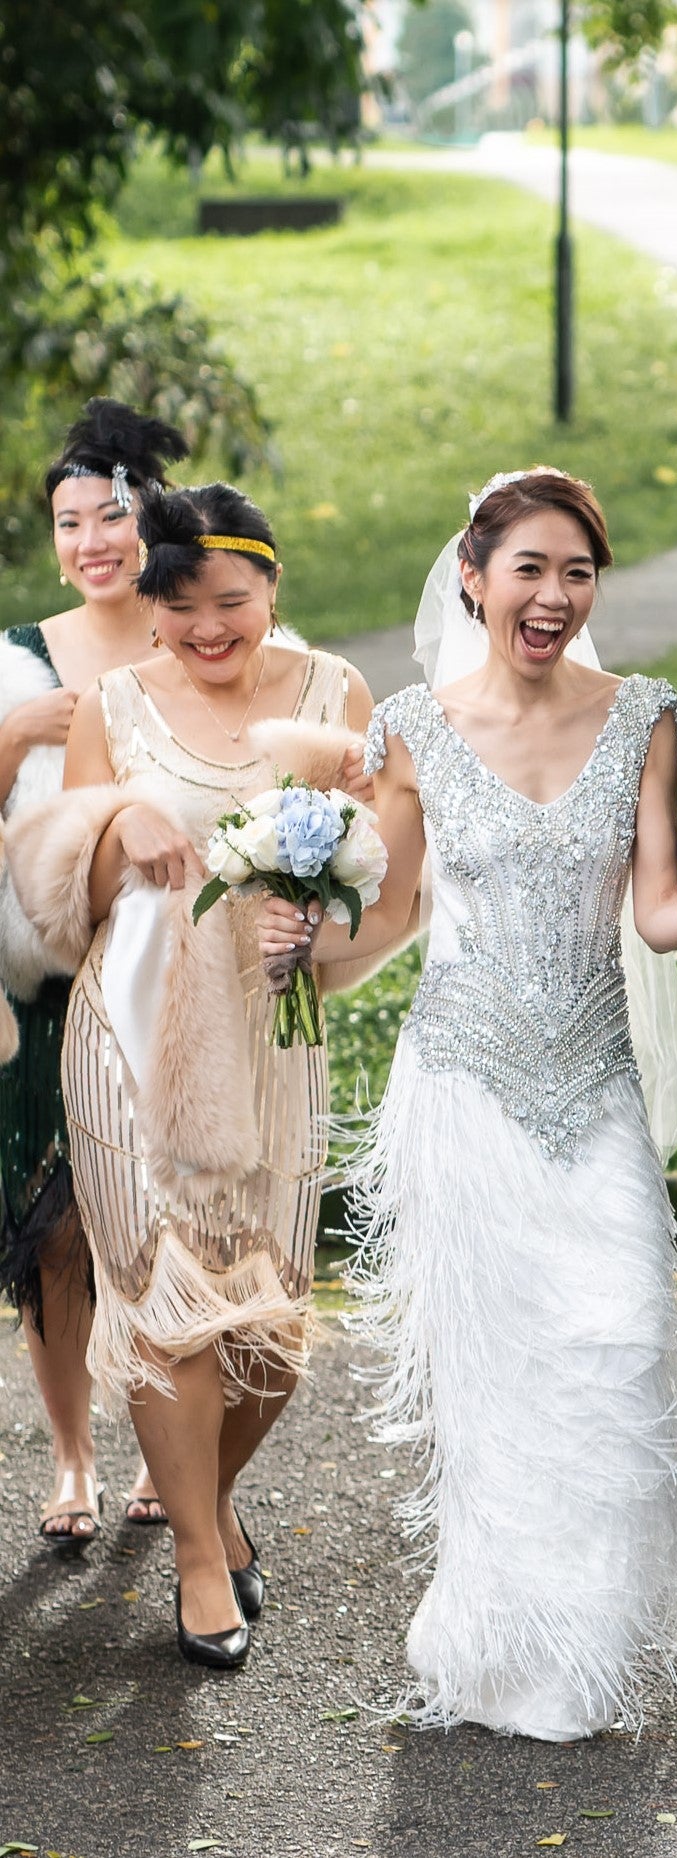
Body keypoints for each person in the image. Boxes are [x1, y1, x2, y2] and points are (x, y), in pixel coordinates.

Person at [259, 467, 677, 1741]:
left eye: (579, 571)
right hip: (461, 1087)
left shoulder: (643, 713)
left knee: (620, 1343)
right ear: (473, 576)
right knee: (499, 1379)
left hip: (592, 1084)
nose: (556, 594)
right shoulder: (410, 725)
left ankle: (588, 1634)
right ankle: (501, 1639)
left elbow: (650, 908)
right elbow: (397, 911)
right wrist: (304, 943)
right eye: (530, 566)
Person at [8, 481, 374, 1668]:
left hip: (274, 1031)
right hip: (131, 1025)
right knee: (168, 1295)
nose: (206, 629)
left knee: (270, 1314)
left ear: (271, 585)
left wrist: (320, 920)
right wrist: (118, 829)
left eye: (231, 600)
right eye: (179, 607)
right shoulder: (114, 701)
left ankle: (205, 1498)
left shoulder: (333, 694)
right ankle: (199, 1557)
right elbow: (59, 890)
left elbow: (373, 861)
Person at [0, 400, 188, 1547]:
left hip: (169, 983)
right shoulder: (16, 659)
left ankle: (172, 1450)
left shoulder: (197, 632)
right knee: (53, 1235)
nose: (90, 542)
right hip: (48, 981)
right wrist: (16, 735)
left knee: (163, 1231)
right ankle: (72, 1458)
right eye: (68, 524)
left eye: (109, 516)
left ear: (147, 515)